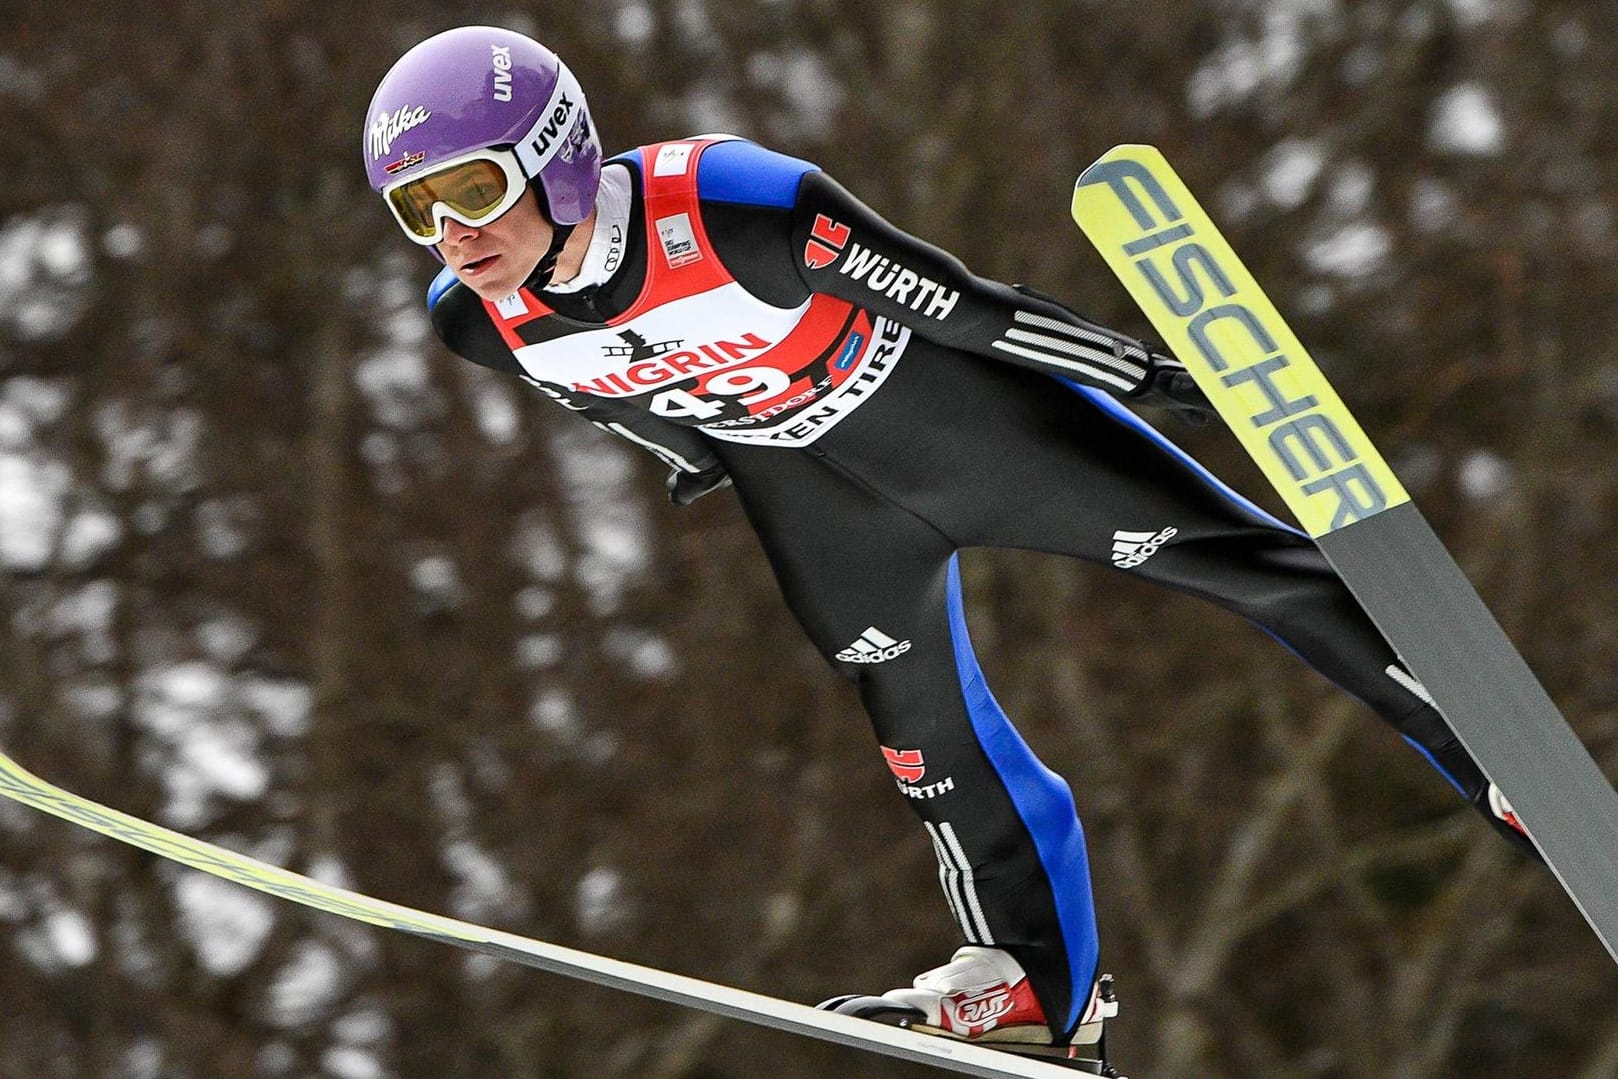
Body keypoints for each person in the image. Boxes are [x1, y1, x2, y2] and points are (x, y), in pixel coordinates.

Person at [362, 25, 1536, 1071]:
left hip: (963, 431)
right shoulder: (474, 321)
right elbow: (614, 397)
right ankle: (1032, 981)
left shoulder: (733, 205)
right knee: (920, 736)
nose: (452, 235)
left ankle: (1493, 761)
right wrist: (688, 457)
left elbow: (963, 304)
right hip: (823, 508)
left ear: (558, 155)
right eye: (416, 209)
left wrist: (1138, 372)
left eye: (468, 188)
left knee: (1247, 565)